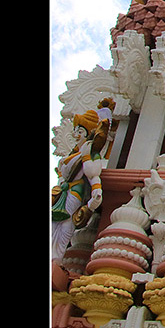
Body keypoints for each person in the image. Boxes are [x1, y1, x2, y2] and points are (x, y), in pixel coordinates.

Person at [52, 102, 114, 265]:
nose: (76, 134)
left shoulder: (88, 152)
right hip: (63, 192)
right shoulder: (74, 154)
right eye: (76, 130)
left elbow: (93, 174)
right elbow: (63, 174)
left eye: (80, 131)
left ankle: (57, 257)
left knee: (66, 222)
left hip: (75, 193)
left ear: (89, 134)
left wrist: (96, 191)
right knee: (53, 222)